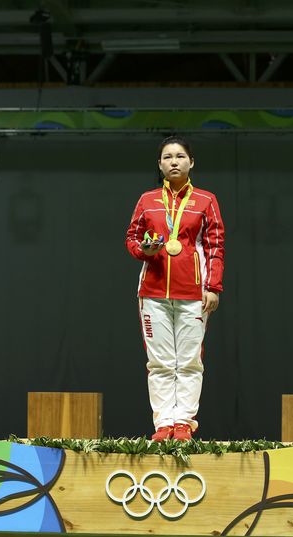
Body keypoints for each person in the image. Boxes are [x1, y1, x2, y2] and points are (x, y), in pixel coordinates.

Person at [126, 136, 225, 442]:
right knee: (160, 362)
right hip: (152, 292)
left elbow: (215, 246)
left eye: (180, 156)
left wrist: (213, 286)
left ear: (191, 162)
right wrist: (146, 250)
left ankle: (183, 422)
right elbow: (132, 239)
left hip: (193, 292)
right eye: (167, 157)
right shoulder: (147, 200)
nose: (173, 161)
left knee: (190, 360)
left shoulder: (206, 200)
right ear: (160, 164)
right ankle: (163, 423)